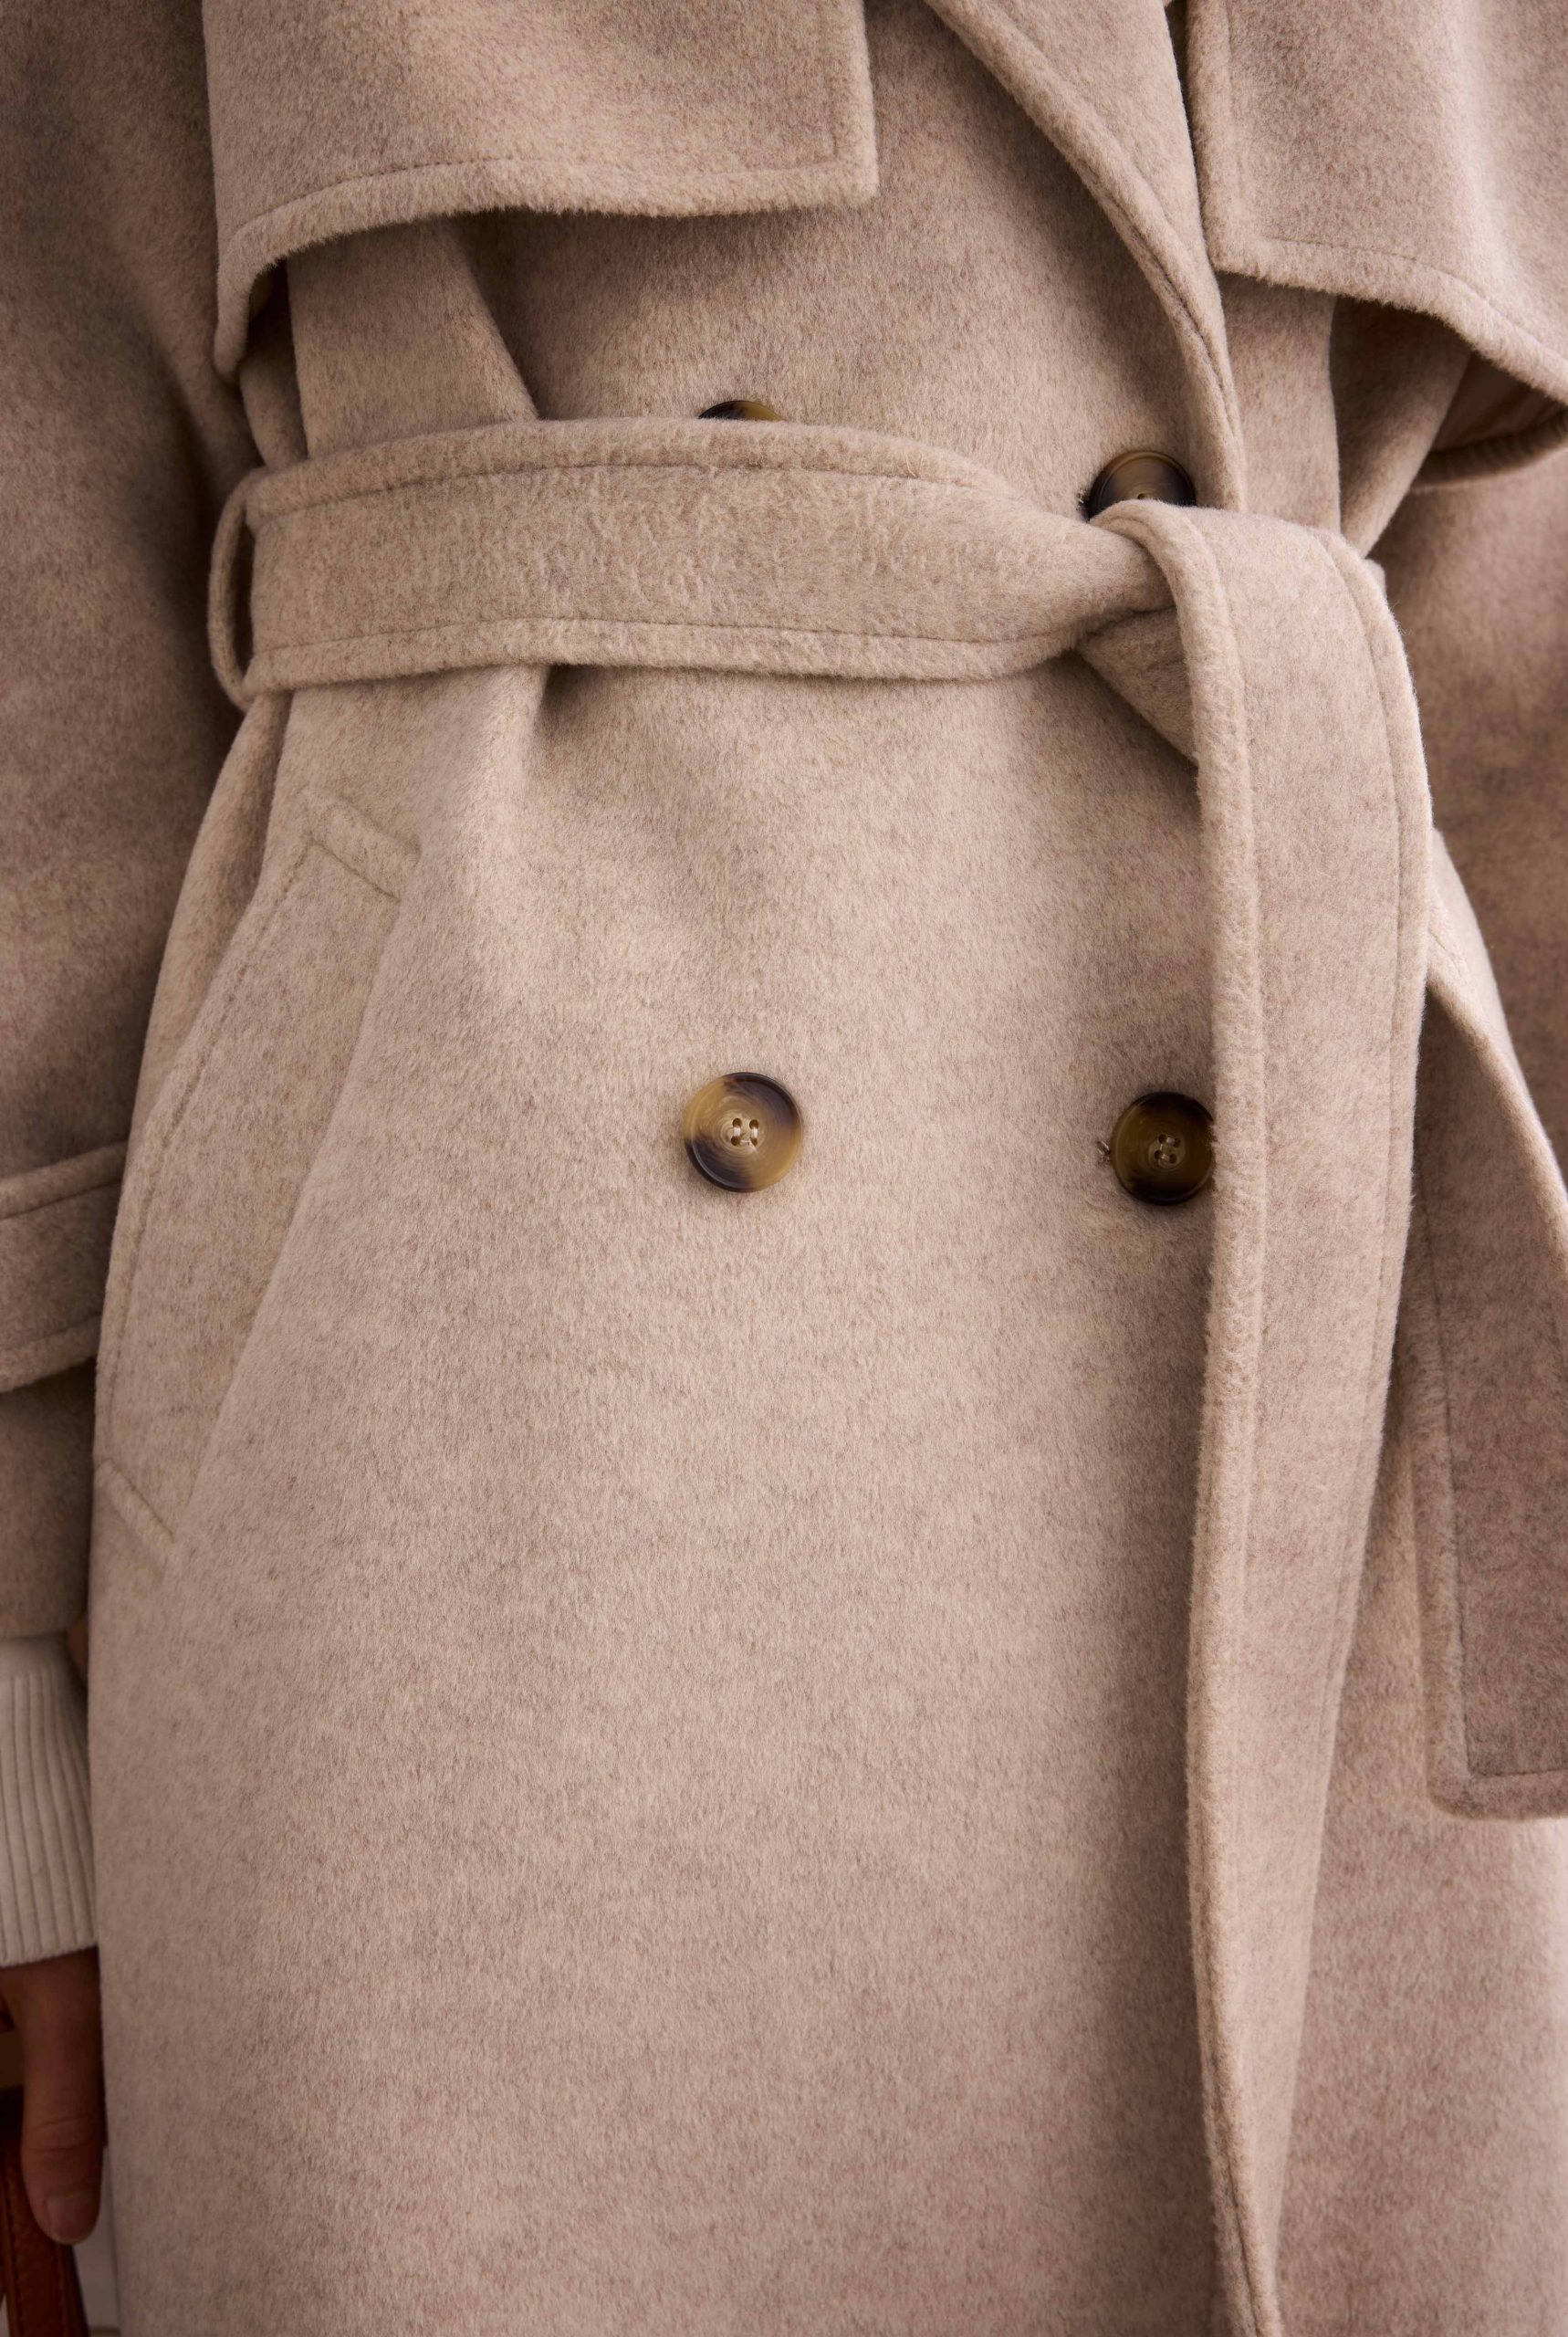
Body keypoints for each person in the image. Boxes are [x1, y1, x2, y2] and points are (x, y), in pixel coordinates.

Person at [4, 0, 1568, 2329]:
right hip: (475, 1438)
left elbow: (1514, 671)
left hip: (1316, 1355)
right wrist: (12, 1761)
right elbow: (41, 548)